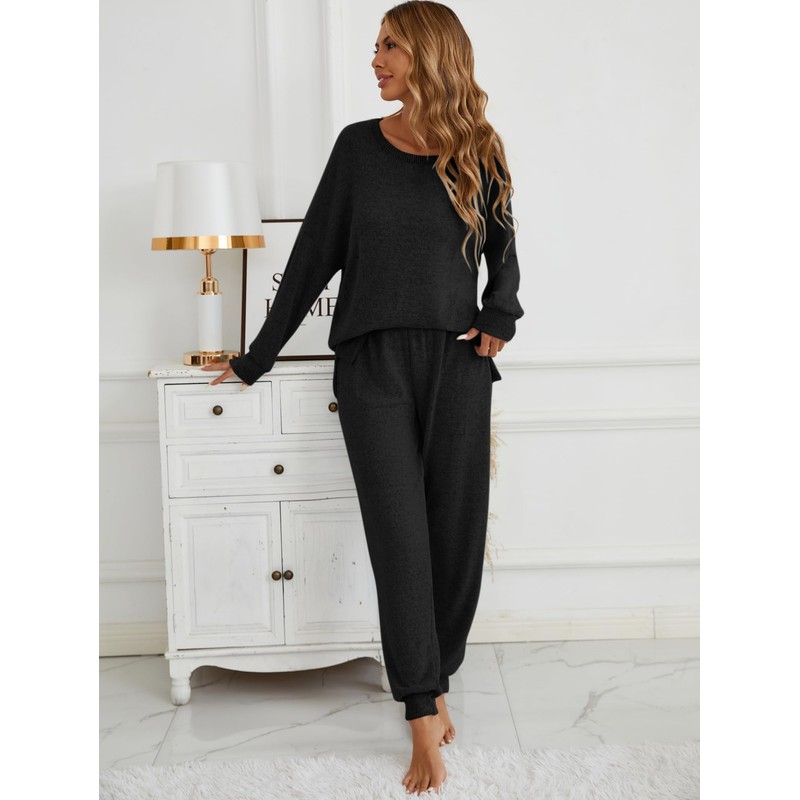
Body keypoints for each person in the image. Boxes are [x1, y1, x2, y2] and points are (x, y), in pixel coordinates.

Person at [202, 1, 524, 794]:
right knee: (399, 541)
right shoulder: (356, 149)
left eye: (389, 46)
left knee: (455, 538)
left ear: (429, 54)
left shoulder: (479, 148)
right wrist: (255, 358)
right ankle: (419, 713)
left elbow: (504, 253)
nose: (374, 58)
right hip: (373, 368)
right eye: (376, 45)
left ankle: (436, 679)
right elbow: (311, 259)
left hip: (457, 365)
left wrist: (499, 317)